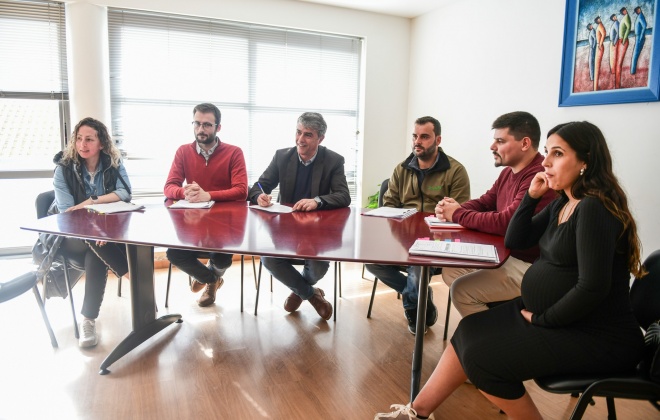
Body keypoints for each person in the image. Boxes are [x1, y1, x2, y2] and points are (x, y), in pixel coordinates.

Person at [375, 121, 646, 420]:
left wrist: (544, 319)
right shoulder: (563, 203)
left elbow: (592, 287)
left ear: (585, 161)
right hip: (560, 316)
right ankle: (417, 412)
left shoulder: (594, 209)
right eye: (547, 152)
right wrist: (530, 198)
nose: (545, 162)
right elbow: (516, 239)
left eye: (557, 154)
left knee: (483, 360)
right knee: (468, 331)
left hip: (596, 335)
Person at [434, 111, 555, 317]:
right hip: (505, 254)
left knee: (461, 291)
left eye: (500, 141)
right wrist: (452, 208)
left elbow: (506, 222)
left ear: (525, 144)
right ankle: (496, 316)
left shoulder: (538, 177)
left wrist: (457, 214)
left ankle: (488, 338)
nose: (492, 147)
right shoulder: (508, 172)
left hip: (528, 264)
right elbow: (485, 202)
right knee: (451, 271)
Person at [365, 116, 471, 334]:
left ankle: (413, 309)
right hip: (403, 236)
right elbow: (390, 205)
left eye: (424, 136)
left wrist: (446, 212)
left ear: (437, 139)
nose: (417, 141)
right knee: (371, 262)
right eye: (415, 136)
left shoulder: (455, 171)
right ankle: (419, 296)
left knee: (416, 266)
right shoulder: (401, 169)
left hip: (439, 240)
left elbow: (463, 212)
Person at [248, 112, 350, 320]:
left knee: (317, 269)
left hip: (318, 234)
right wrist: (260, 196)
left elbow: (343, 195)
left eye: (308, 135)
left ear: (320, 139)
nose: (300, 140)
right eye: (298, 132)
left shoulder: (333, 160)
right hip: (286, 232)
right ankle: (312, 296)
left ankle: (299, 290)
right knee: (268, 259)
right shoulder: (282, 156)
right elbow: (259, 185)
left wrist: (318, 201)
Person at [51, 117, 132, 348]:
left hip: (103, 236)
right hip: (72, 236)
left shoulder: (112, 164)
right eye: (79, 139)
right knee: (95, 241)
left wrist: (91, 200)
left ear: (101, 144)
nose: (82, 144)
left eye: (89, 139)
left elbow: (125, 193)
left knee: (96, 253)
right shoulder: (63, 170)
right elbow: (68, 213)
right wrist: (94, 226)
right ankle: (131, 277)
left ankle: (88, 320)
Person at [164, 103, 248, 307]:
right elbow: (169, 187)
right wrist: (184, 192)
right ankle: (211, 279)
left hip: (224, 224)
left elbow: (241, 190)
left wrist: (207, 195)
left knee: (222, 258)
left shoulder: (234, 152)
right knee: (173, 254)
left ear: (218, 127)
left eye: (207, 125)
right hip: (193, 224)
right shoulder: (183, 151)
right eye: (197, 124)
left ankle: (209, 281)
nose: (201, 129)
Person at [631, 6, 647, 75]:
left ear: (639, 10)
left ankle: (633, 71)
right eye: (636, 11)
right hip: (638, 37)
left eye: (637, 10)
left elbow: (644, 26)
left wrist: (640, 37)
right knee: (635, 55)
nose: (637, 11)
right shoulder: (639, 16)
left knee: (635, 55)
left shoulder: (640, 16)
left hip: (639, 38)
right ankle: (633, 71)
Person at [593, 16, 606, 91]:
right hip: (599, 46)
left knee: (597, 67)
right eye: (598, 19)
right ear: (597, 20)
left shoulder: (600, 26)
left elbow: (604, 34)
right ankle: (595, 87)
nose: (600, 19)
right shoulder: (600, 26)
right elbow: (603, 34)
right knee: (597, 66)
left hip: (599, 46)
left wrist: (600, 44)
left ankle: (595, 88)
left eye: (599, 18)